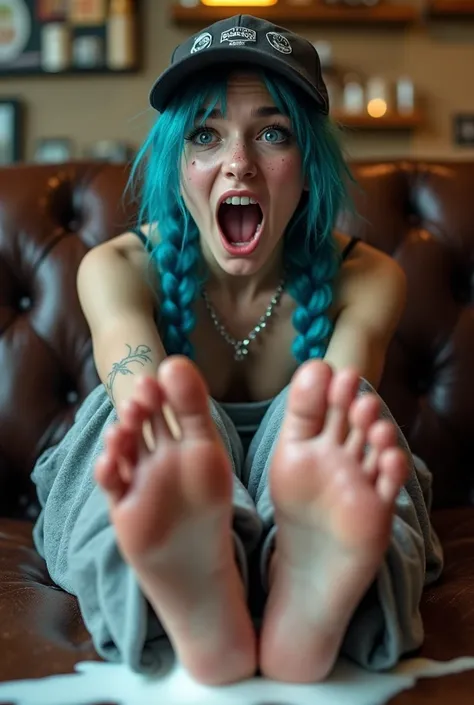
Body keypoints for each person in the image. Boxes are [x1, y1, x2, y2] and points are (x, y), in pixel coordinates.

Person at [31, 14, 443, 688]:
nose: (238, 162)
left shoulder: (369, 277)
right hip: (168, 460)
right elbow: (135, 386)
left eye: (272, 133)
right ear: (179, 163)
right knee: (143, 413)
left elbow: (329, 419)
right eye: (205, 134)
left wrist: (287, 495)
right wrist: (196, 472)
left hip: (307, 477)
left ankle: (309, 587)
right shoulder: (117, 266)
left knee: (336, 417)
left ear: (308, 165)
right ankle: (192, 584)